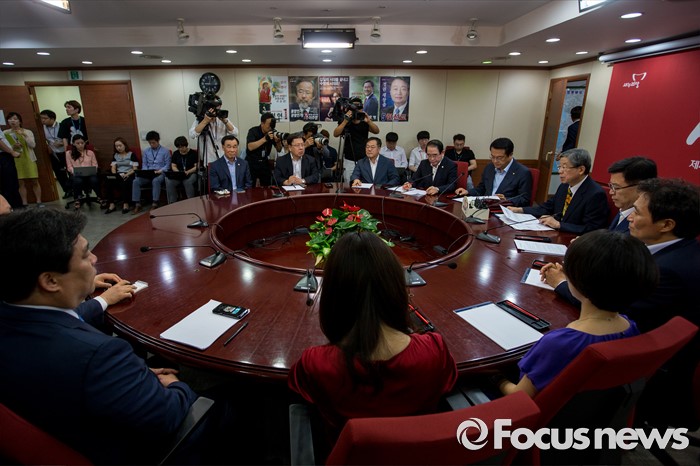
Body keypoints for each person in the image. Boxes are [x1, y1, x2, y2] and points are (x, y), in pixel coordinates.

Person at [0, 208, 199, 464]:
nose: (94, 259)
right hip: (130, 451)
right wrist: (175, 385)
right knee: (236, 397)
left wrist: (130, 376)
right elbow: (166, 417)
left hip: (61, 419)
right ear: (50, 281)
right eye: (85, 255)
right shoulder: (100, 355)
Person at [288, 231, 458, 434]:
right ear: (396, 288)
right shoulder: (434, 351)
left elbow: (294, 390)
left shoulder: (315, 364)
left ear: (332, 296)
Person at [495, 230, 657, 398]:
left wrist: (495, 378)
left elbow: (519, 395)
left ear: (580, 280)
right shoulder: (630, 326)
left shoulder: (559, 343)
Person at [509, 148, 608, 232]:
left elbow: (592, 229)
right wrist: (519, 210)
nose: (560, 171)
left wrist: (558, 225)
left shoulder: (595, 194)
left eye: (564, 167)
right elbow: (547, 207)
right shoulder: (564, 186)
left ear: (581, 170)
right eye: (559, 167)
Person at [456, 137, 532, 207]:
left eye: (499, 158)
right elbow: (481, 189)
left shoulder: (522, 172)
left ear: (510, 155)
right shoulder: (490, 167)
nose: (495, 161)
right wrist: (467, 192)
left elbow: (524, 200)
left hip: (505, 210)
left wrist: (506, 199)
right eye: (492, 157)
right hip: (485, 207)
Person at [605, 156, 657, 233]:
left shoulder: (643, 225)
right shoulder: (625, 207)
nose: (611, 192)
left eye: (616, 187)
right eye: (611, 186)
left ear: (641, 187)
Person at [333, 97, 379, 178]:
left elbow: (376, 131)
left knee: (364, 180)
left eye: (359, 108)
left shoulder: (364, 121)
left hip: (364, 158)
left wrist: (369, 121)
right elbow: (336, 134)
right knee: (349, 181)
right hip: (349, 159)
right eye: (354, 108)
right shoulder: (345, 120)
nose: (357, 110)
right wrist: (345, 121)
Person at [4, 112, 41, 207]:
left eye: (15, 119)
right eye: (10, 119)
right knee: (20, 182)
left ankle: (39, 201)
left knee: (34, 180)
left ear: (20, 121)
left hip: (29, 158)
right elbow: (4, 148)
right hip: (16, 159)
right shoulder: (5, 133)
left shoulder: (27, 132)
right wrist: (13, 146)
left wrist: (24, 135)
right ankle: (24, 203)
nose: (12, 121)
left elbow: (33, 145)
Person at [189, 100, 238, 166]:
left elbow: (235, 133)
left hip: (224, 157)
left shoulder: (221, 119)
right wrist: (205, 121)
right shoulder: (201, 119)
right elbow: (192, 135)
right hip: (209, 159)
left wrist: (225, 121)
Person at [131, 130, 170, 214]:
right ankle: (137, 204)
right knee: (136, 181)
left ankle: (155, 203)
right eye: (150, 143)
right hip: (149, 173)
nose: (151, 145)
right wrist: (145, 172)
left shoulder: (165, 151)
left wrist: (160, 170)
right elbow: (144, 164)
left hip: (160, 173)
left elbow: (167, 166)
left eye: (153, 143)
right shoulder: (146, 151)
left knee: (156, 181)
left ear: (158, 141)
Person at [40, 109, 71, 198]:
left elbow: (69, 138)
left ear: (52, 118)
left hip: (65, 152)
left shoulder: (62, 125)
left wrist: (62, 143)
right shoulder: (42, 128)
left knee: (70, 171)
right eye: (42, 118)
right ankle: (67, 190)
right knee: (59, 173)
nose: (43, 120)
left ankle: (75, 189)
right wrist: (47, 146)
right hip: (53, 153)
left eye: (45, 118)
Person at [246, 112, 282, 187]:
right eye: (269, 124)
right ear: (262, 124)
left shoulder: (272, 132)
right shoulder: (253, 131)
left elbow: (279, 149)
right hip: (252, 162)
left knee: (267, 185)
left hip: (264, 162)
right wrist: (265, 139)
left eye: (272, 124)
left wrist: (278, 141)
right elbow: (250, 147)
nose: (270, 127)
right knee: (250, 186)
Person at [104, 137, 138, 214]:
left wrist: (126, 174)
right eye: (116, 146)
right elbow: (113, 167)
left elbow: (135, 169)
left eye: (120, 145)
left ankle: (126, 204)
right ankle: (112, 204)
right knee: (108, 182)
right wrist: (114, 175)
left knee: (124, 182)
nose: (118, 148)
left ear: (124, 145)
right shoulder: (115, 155)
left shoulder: (131, 154)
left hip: (129, 174)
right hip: (119, 174)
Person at [65, 134, 99, 210]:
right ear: (73, 144)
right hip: (77, 175)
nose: (80, 145)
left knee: (94, 180)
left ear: (84, 143)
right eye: (78, 143)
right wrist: (74, 171)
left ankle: (100, 197)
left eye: (82, 143)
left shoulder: (90, 152)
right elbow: (69, 166)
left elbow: (95, 164)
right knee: (78, 181)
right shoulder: (69, 153)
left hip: (89, 174)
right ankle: (77, 199)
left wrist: (93, 169)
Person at [165, 136, 199, 204]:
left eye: (182, 147)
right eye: (179, 147)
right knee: (169, 181)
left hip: (191, 173)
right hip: (179, 174)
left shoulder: (193, 153)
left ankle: (191, 201)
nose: (181, 149)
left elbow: (196, 166)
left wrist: (188, 171)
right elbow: (173, 166)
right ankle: (173, 201)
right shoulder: (176, 153)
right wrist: (178, 172)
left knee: (187, 182)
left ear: (186, 145)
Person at [0, 131, 21, 209]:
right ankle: (14, 208)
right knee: (9, 183)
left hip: (5, 155)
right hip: (3, 157)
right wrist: (12, 152)